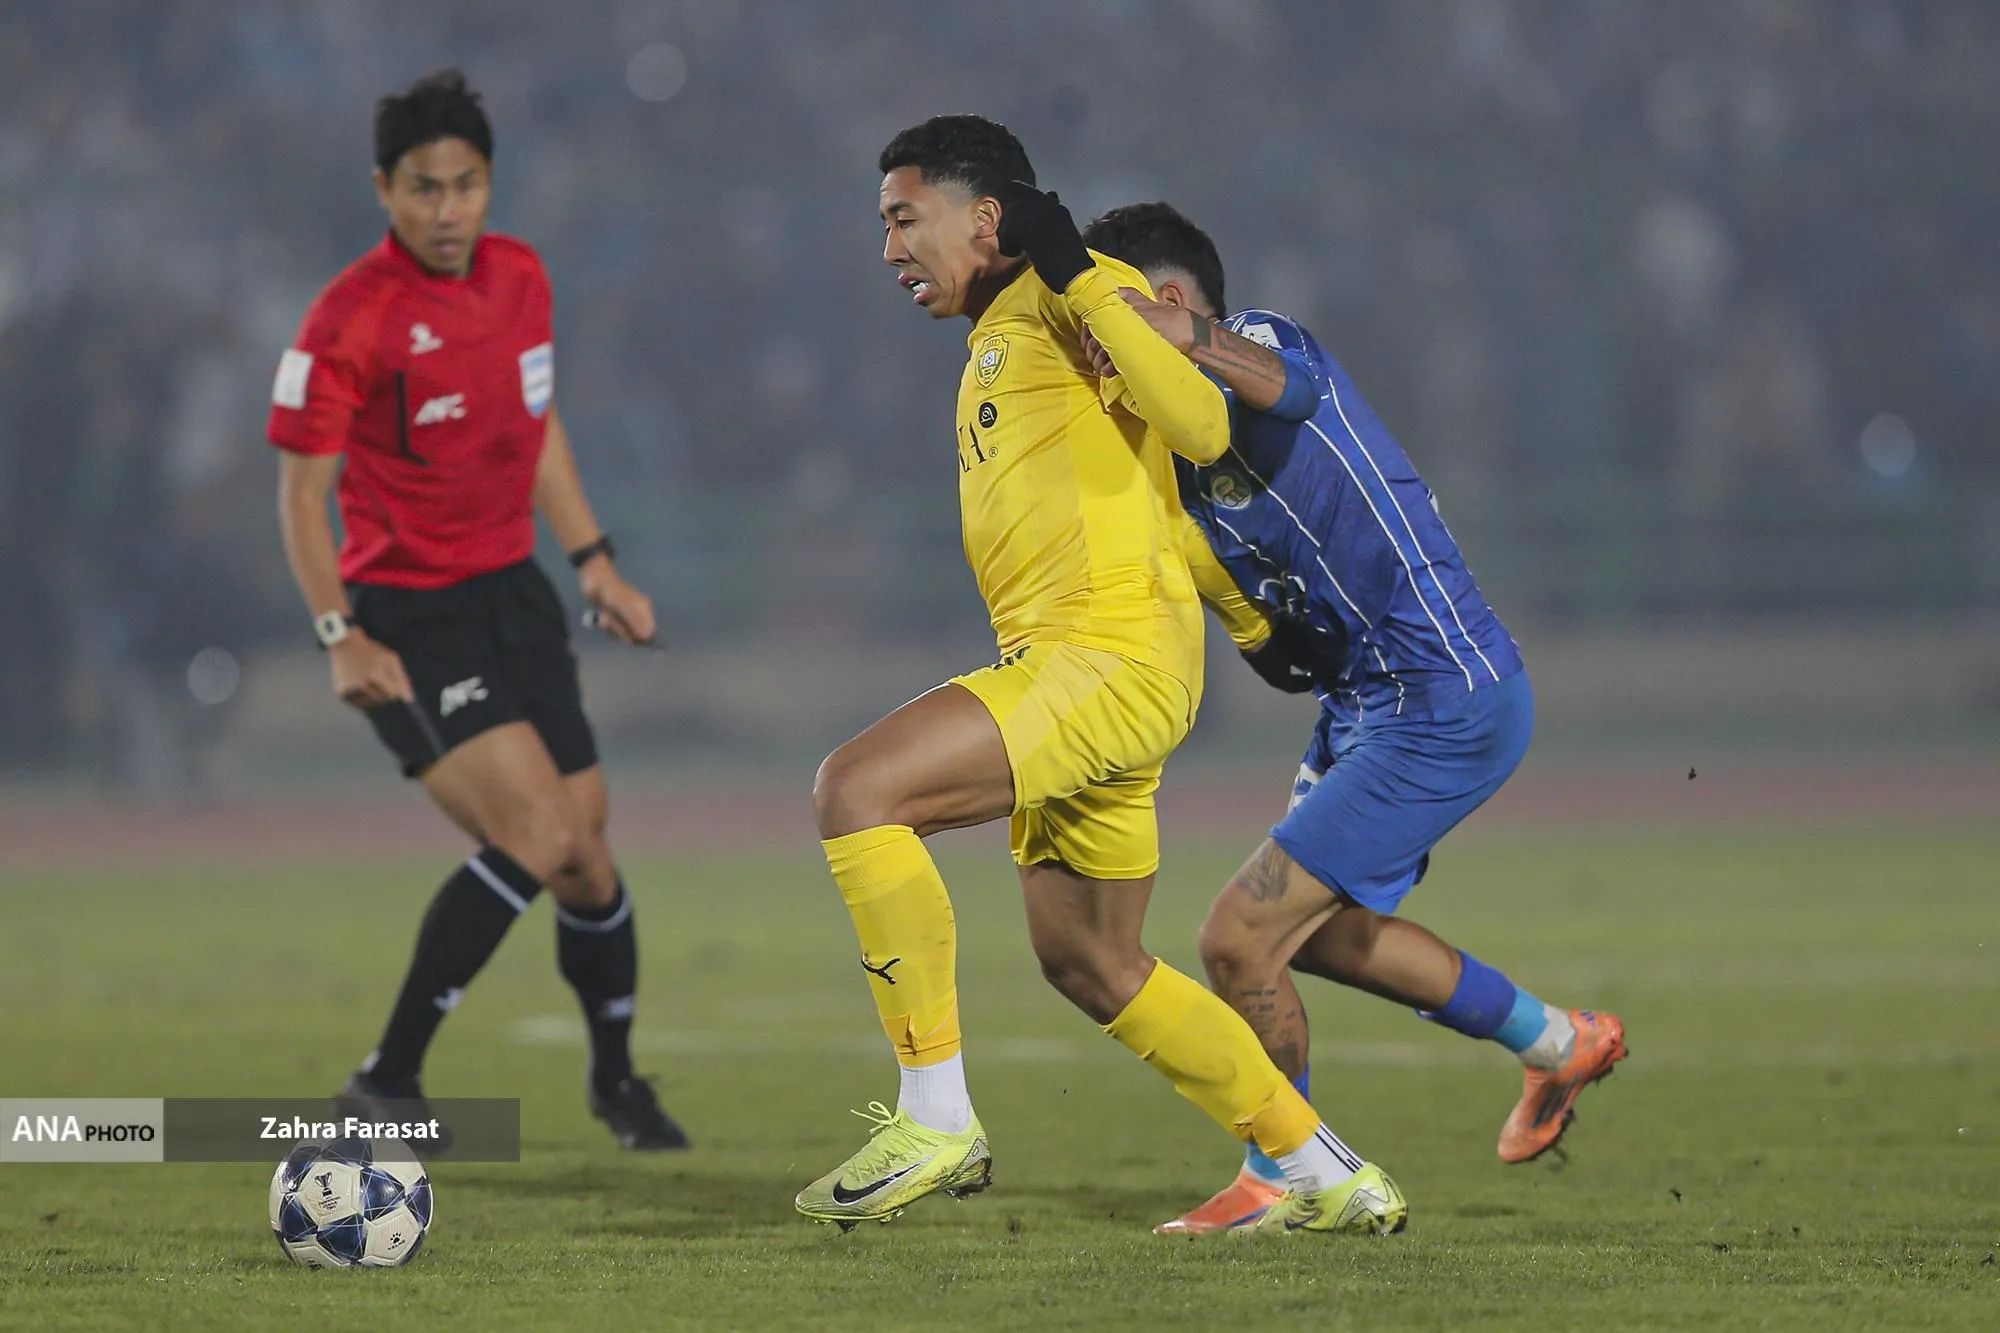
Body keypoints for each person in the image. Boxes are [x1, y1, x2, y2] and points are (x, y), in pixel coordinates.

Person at [793, 116, 1405, 1237]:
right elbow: (1153, 499)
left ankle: (934, 1119)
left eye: (904, 218)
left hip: (1101, 659)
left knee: (857, 789)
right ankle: (1321, 1167)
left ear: (986, 216)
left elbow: (1202, 421)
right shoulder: (1001, 331)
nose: (888, 248)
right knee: (1092, 959)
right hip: (1098, 666)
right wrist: (1241, 619)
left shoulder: (1076, 286)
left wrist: (1077, 271)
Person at [1079, 203, 1627, 1234]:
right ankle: (1559, 1042)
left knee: (1235, 938)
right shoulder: (1183, 469)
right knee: (1316, 938)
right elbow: (1284, 661)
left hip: (1443, 695)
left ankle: (1285, 1174)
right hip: (1365, 708)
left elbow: (1287, 384)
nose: (1091, 344)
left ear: (1166, 301)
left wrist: (1168, 332)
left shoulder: (1261, 342)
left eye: (1102, 316)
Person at [269, 69, 686, 1151]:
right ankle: (386, 1078)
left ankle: (616, 1084)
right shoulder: (348, 318)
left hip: (514, 593)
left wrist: (594, 562)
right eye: (424, 188)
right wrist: (338, 633)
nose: (447, 210)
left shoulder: (520, 278)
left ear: (489, 183)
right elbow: (302, 496)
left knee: (586, 858)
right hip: (410, 616)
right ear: (383, 189)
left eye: (465, 186)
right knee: (537, 833)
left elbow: (536, 429)